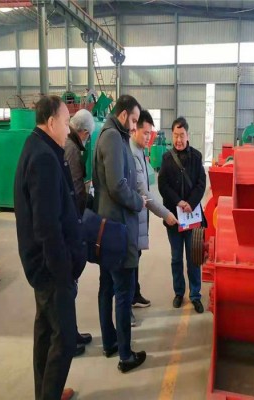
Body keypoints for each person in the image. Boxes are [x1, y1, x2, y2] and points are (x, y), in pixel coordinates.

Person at [14, 95, 87, 400]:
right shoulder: (44, 157)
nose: (69, 128)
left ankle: (46, 393)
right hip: (50, 267)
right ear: (52, 121)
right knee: (65, 339)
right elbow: (47, 226)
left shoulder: (39, 147)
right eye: (66, 121)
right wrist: (63, 271)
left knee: (46, 332)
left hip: (43, 264)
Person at [93, 94, 147, 373]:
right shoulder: (113, 138)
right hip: (117, 228)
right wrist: (138, 202)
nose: (135, 126)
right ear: (123, 115)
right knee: (122, 293)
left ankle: (110, 342)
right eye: (134, 120)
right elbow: (116, 185)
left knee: (106, 287)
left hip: (108, 227)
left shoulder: (108, 135)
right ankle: (125, 355)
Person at [129, 110, 178, 325]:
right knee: (128, 263)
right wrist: (166, 214)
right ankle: (126, 309)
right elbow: (144, 193)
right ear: (135, 129)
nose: (148, 137)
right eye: (145, 132)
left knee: (136, 258)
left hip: (140, 217)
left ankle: (134, 294)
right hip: (131, 218)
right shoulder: (131, 154)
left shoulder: (140, 151)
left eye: (150, 133)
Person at [158, 116, 206, 314]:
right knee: (176, 257)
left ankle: (195, 295)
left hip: (192, 217)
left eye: (182, 135)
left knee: (193, 258)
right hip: (174, 218)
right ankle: (179, 292)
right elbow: (163, 186)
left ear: (188, 135)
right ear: (172, 135)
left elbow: (201, 183)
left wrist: (190, 203)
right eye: (175, 135)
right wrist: (178, 202)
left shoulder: (196, 157)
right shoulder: (167, 158)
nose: (178, 140)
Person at [64, 109, 95, 356]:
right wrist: (86, 207)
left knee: (70, 286)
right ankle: (67, 339)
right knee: (67, 286)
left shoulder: (69, 145)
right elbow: (74, 189)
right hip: (70, 225)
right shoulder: (72, 149)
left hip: (69, 222)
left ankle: (72, 332)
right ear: (83, 132)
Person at [65, 109, 95, 215]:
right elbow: (76, 188)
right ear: (85, 133)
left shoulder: (66, 139)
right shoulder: (73, 149)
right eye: (89, 136)